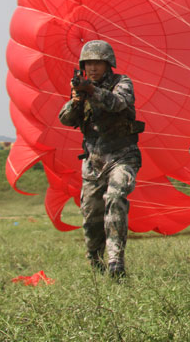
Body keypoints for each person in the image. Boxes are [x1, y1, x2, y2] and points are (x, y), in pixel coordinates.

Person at [58, 40, 143, 278]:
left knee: (115, 198)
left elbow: (118, 103)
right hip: (93, 162)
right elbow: (65, 119)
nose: (92, 68)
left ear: (108, 64)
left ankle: (116, 261)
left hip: (122, 156)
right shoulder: (82, 91)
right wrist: (77, 100)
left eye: (97, 63)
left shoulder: (122, 82)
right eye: (88, 64)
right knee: (91, 216)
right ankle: (95, 261)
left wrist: (91, 91)